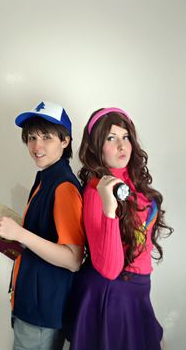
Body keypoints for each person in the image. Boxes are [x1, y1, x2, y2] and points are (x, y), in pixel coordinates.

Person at [0, 101, 85, 350]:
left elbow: (73, 259)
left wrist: (19, 233)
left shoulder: (64, 187)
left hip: (42, 311)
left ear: (65, 140)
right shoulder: (46, 176)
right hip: (31, 302)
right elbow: (40, 237)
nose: (37, 146)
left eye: (46, 137)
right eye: (32, 137)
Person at [67, 107, 173, 350]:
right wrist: (108, 208)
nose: (122, 146)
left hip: (138, 291)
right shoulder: (97, 192)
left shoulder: (133, 181)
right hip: (112, 296)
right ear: (95, 147)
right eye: (111, 138)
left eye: (125, 137)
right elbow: (110, 269)